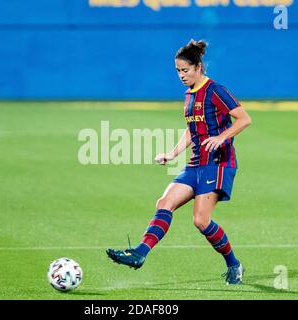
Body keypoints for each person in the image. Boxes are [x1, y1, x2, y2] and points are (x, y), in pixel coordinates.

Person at [106, 39, 252, 285]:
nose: (181, 75)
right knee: (164, 202)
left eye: (185, 70)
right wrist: (172, 153)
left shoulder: (216, 90)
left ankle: (234, 265)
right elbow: (192, 129)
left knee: (200, 220)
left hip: (218, 164)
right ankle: (140, 254)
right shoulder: (189, 95)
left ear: (198, 67)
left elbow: (244, 119)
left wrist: (221, 137)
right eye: (178, 71)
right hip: (196, 163)